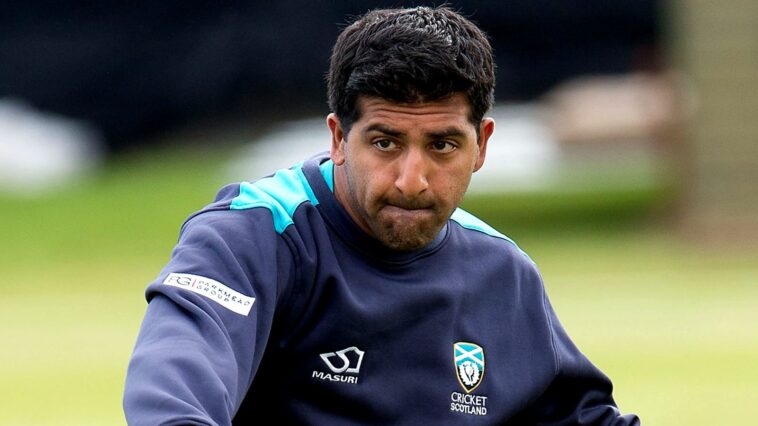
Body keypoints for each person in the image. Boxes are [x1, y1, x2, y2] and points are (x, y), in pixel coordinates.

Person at [123, 6, 639, 425]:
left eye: (442, 145)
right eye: (386, 142)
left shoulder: (501, 272)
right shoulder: (253, 235)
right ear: (338, 138)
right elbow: (172, 396)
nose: (412, 179)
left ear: (480, 146)